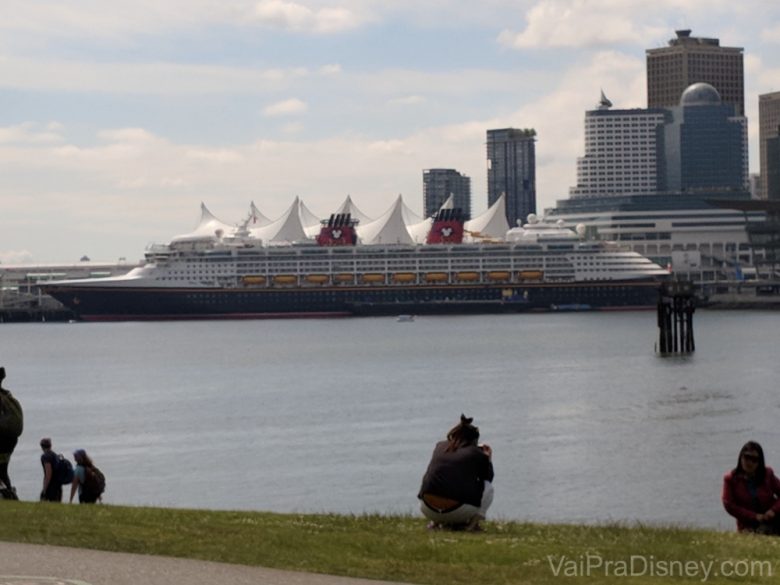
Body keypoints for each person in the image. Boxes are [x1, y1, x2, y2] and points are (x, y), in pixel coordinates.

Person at [418, 414, 494, 531]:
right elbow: (487, 478)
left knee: (438, 478)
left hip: (427, 508)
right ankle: (472, 526)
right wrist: (488, 459)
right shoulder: (476, 453)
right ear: (474, 440)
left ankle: (435, 523)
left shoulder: (440, 446)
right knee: (488, 488)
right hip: (456, 511)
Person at [722, 441, 780, 534]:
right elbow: (730, 506)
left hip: (773, 518)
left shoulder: (767, 474)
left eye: (754, 459)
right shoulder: (730, 479)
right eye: (746, 457)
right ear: (741, 457)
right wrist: (755, 516)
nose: (749, 462)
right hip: (748, 525)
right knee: (762, 532)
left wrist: (773, 510)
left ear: (759, 462)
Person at [0, 366, 23, 499]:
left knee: (2, 471)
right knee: (3, 470)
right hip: (10, 439)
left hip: (2, 439)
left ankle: (8, 495)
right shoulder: (7, 395)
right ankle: (9, 494)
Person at [39, 438, 63, 502]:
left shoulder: (46, 457)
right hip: (58, 485)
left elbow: (48, 474)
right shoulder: (55, 455)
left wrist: (44, 489)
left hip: (51, 487)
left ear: (42, 446)